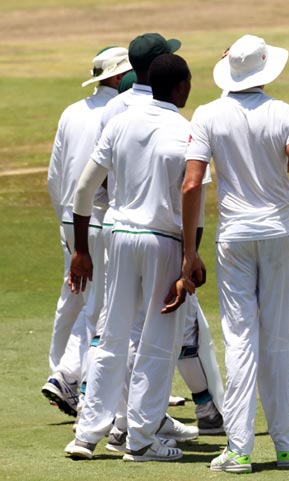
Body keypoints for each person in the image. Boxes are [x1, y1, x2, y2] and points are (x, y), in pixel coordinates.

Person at [181, 34, 289, 473]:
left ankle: (239, 449)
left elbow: (190, 184)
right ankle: (285, 446)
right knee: (275, 341)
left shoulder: (207, 114)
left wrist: (188, 252)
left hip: (234, 238)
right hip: (277, 235)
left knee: (241, 343)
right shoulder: (286, 113)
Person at [65, 53, 193, 462]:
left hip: (118, 237)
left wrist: (81, 249)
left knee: (110, 335)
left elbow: (84, 191)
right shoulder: (186, 129)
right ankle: (140, 439)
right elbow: (194, 198)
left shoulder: (119, 122)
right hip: (162, 240)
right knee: (158, 339)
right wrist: (191, 258)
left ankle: (86, 436)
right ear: (181, 87)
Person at [43, 46, 131, 416]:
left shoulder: (71, 111)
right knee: (101, 305)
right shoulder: (119, 110)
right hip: (101, 217)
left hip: (71, 217)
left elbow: (53, 175)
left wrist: (65, 222)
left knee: (77, 297)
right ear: (115, 77)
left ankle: (64, 375)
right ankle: (73, 379)